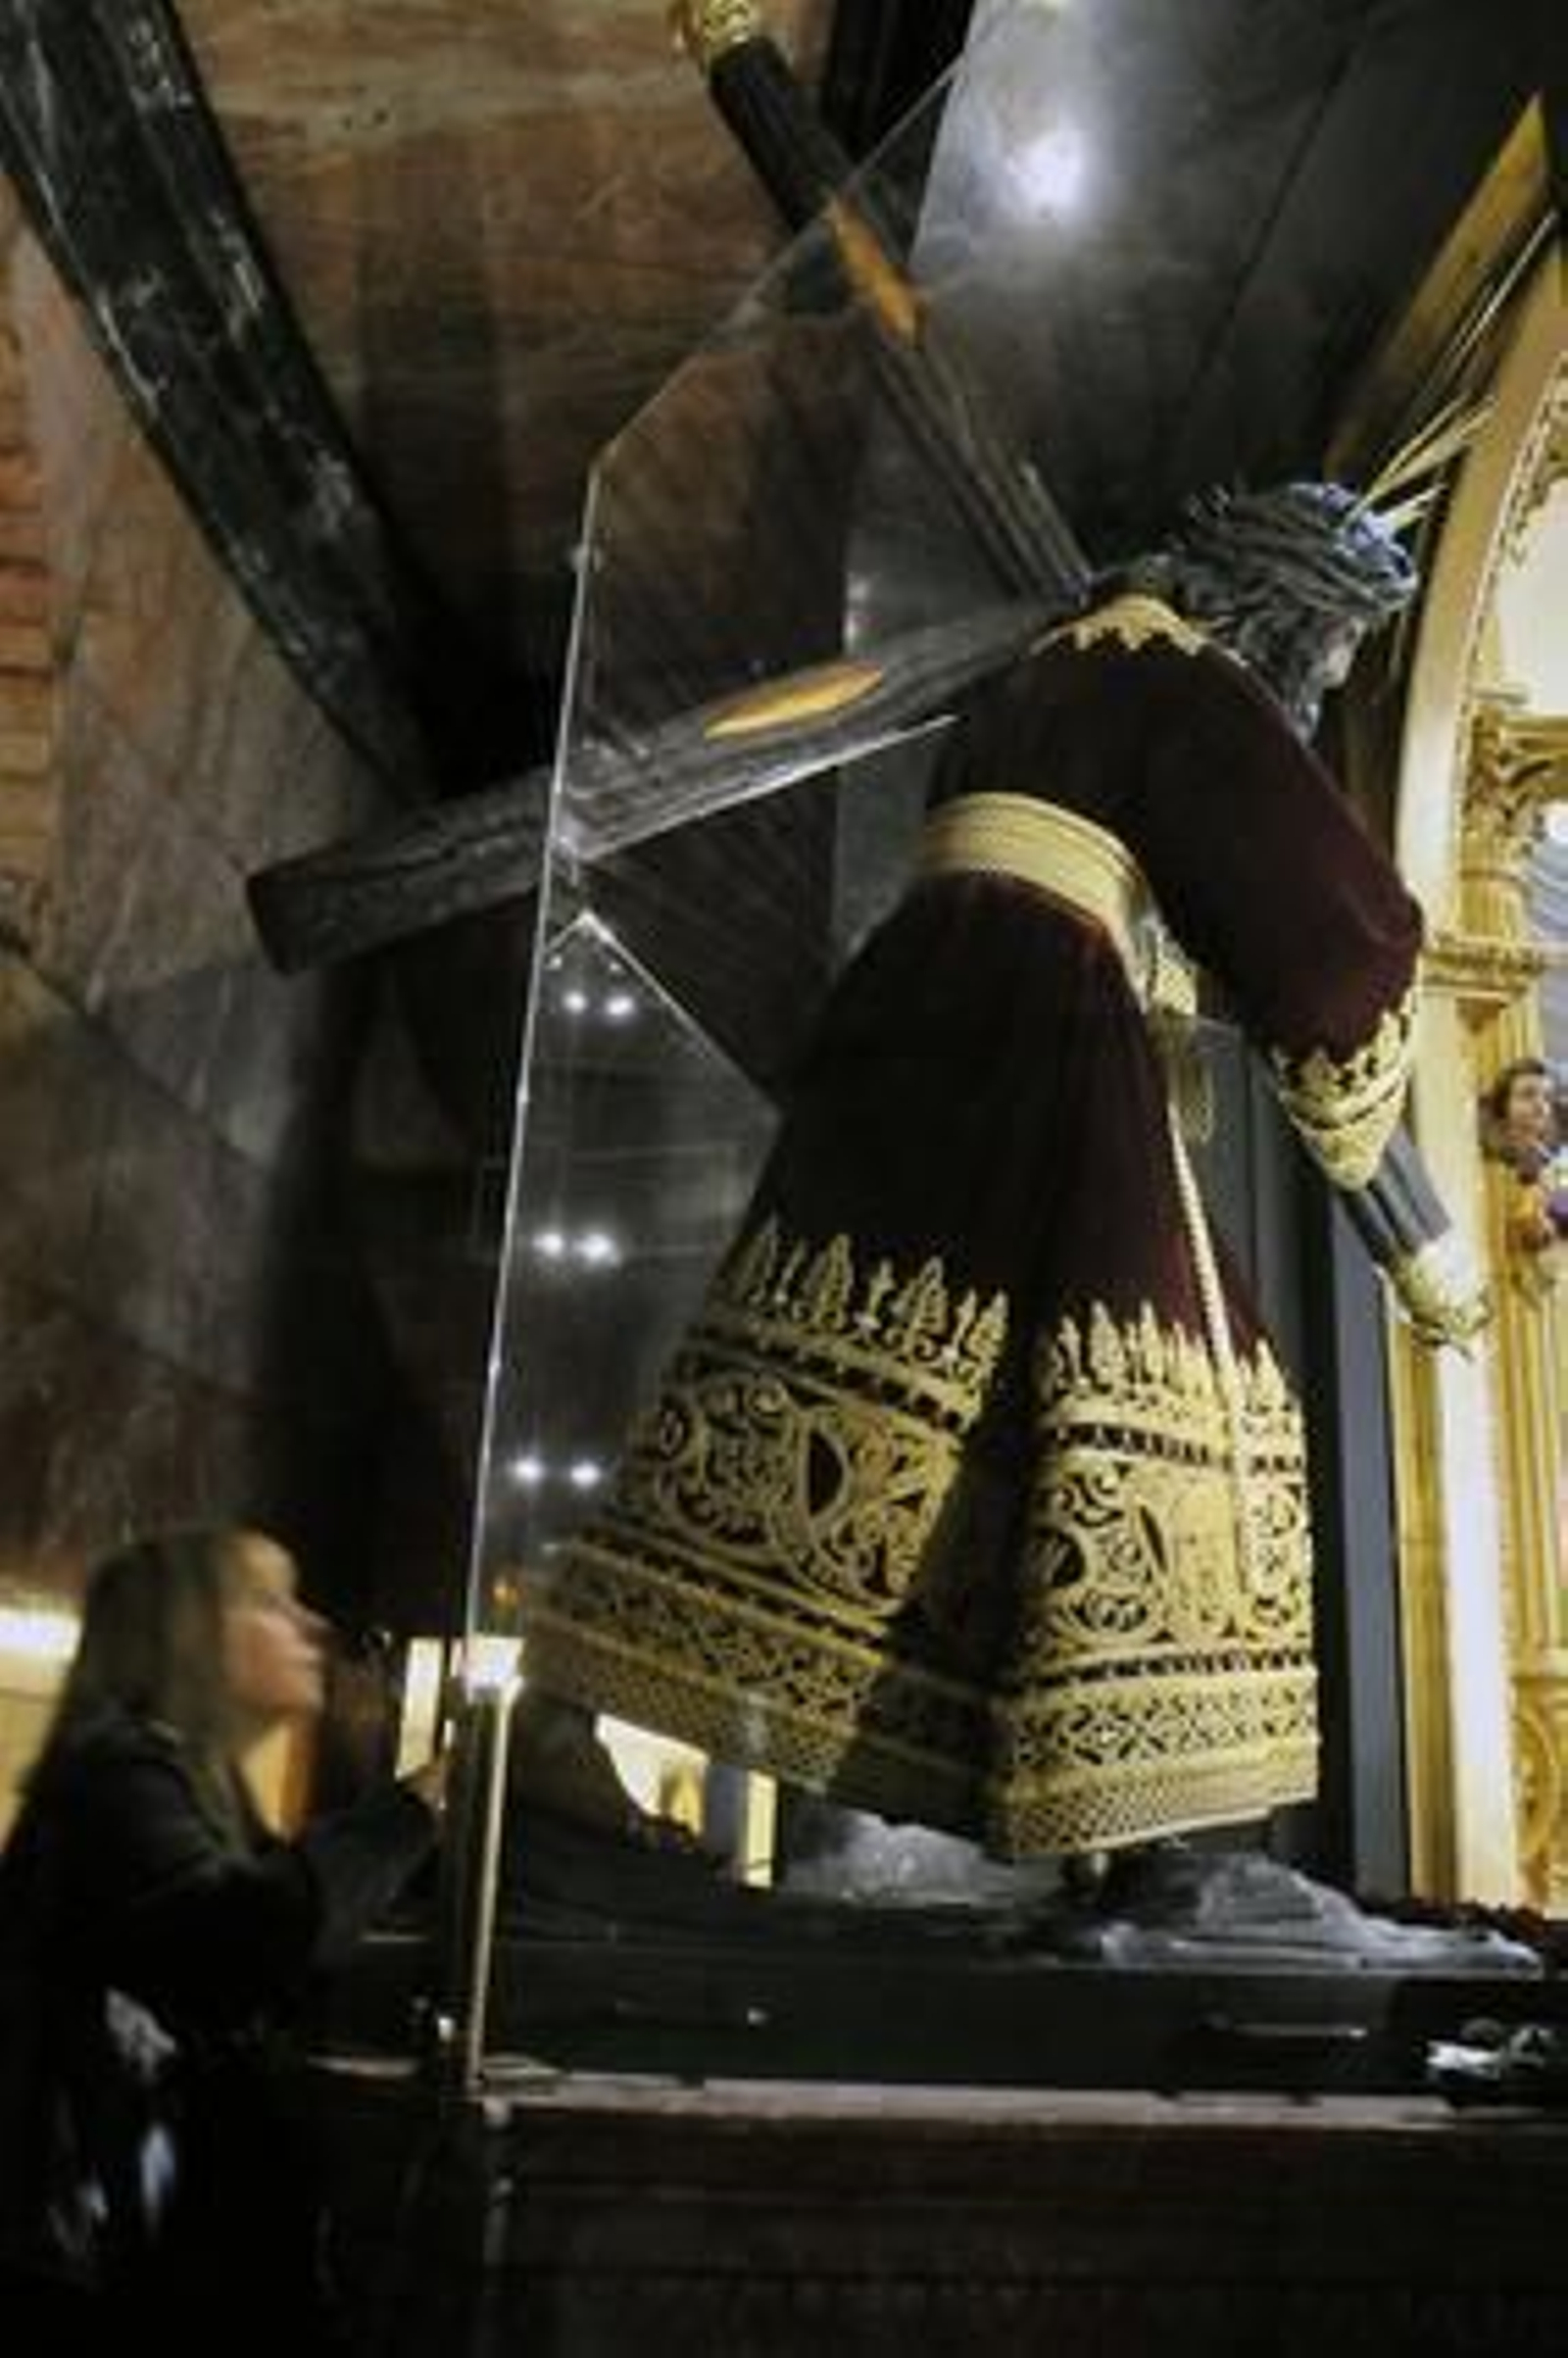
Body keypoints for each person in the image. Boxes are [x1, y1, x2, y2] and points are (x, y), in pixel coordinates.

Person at [517, 479, 1473, 1869]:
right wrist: (1423, 1239)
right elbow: (1331, 933)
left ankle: (565, 1725)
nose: (1324, 682)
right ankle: (1155, 1845)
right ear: (1281, 608)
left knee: (823, 1380)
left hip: (920, 1017)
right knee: (1177, 1394)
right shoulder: (1184, 679)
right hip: (1043, 1032)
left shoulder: (1047, 670)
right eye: (1328, 649)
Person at [0, 1525, 445, 2358]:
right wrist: (417, 1808)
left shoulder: (197, 1785)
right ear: (193, 1636)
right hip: (98, 2258)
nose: (312, 1626)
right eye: (272, 1602)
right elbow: (243, 1940)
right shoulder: (120, 1778)